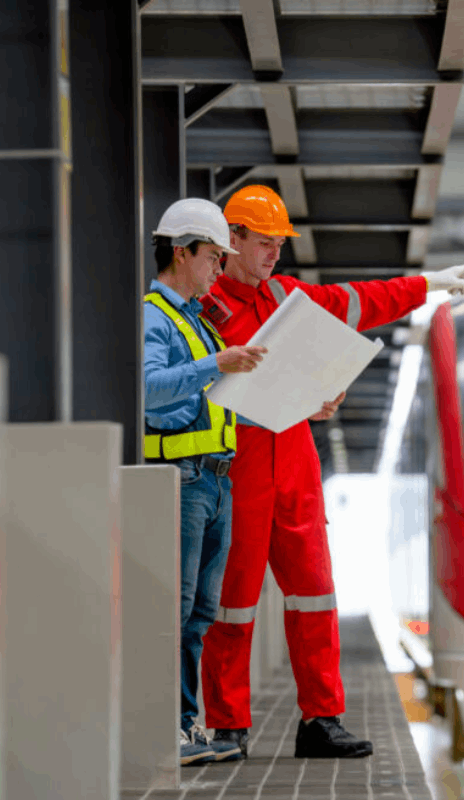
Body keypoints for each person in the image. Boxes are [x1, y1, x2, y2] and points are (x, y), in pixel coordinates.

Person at [199, 185, 464, 759]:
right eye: (264, 243)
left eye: (280, 244)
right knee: (232, 602)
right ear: (232, 240)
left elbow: (358, 301)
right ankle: (228, 725)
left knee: (316, 595)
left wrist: (425, 286)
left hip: (295, 461)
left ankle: (321, 720)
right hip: (240, 466)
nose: (275, 253)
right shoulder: (204, 309)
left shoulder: (285, 296)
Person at [142, 198, 269, 766]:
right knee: (178, 611)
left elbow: (214, 401)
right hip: (185, 479)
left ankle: (187, 728)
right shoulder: (154, 316)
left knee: (198, 617)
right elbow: (149, 391)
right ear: (181, 252)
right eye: (214, 257)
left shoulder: (196, 322)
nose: (220, 269)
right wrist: (217, 366)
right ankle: (166, 729)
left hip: (216, 483)